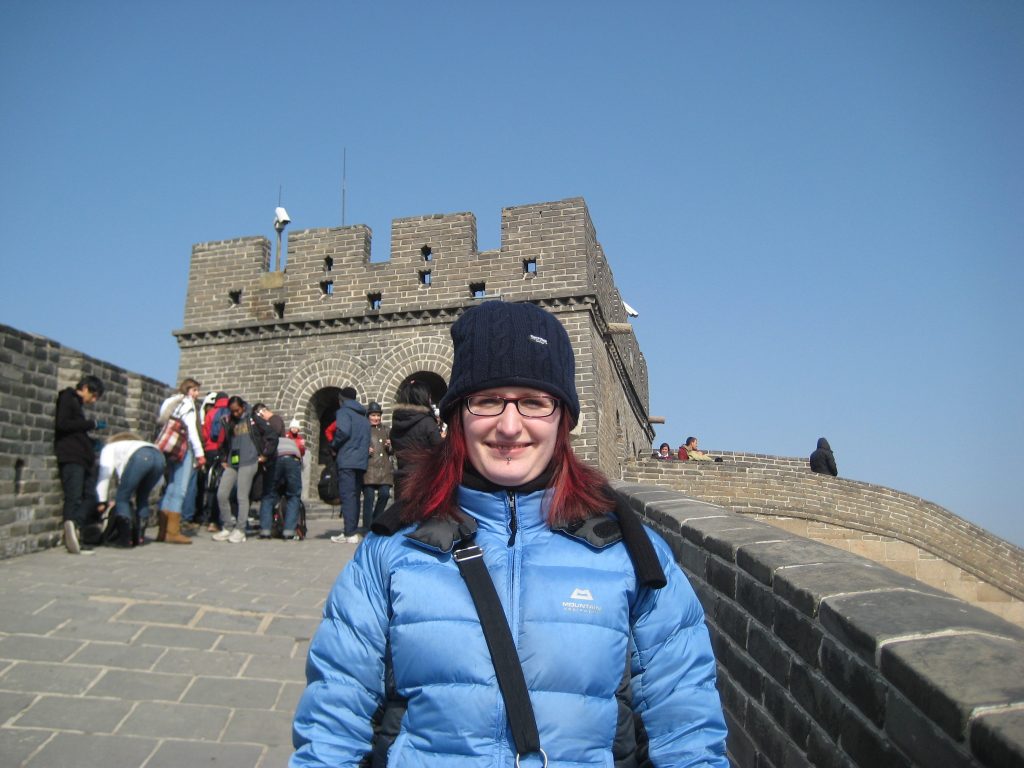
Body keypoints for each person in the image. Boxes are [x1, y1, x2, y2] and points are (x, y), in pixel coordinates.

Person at [292, 301, 728, 767]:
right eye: (487, 400)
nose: (509, 425)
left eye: (535, 401)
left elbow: (687, 727)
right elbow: (332, 722)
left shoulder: (633, 557)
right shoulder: (391, 550)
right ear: (457, 414)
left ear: (564, 418)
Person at [54, 375, 106, 554]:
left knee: (90, 496)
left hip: (83, 459)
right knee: (74, 496)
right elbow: (63, 425)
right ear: (84, 388)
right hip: (71, 457)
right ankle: (72, 531)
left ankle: (75, 527)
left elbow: (76, 430)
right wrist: (91, 424)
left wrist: (90, 443)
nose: (94, 400)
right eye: (93, 395)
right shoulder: (67, 398)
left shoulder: (77, 405)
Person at [214, 396, 271, 544]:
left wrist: (265, 454)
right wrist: (223, 458)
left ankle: (240, 529)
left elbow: (271, 434)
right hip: (233, 462)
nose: (235, 413)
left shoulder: (253, 419)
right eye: (232, 411)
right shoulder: (229, 421)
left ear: (243, 407)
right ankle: (227, 526)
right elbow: (225, 442)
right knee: (221, 494)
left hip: (250, 461)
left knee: (242, 496)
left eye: (237, 410)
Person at [156, 378, 206, 545]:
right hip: (183, 448)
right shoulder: (187, 404)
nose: (197, 394)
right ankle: (173, 531)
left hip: (168, 447)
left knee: (170, 486)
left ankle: (162, 530)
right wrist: (199, 453)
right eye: (195, 390)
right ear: (189, 390)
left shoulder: (170, 402)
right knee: (180, 489)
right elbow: (191, 430)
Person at [96, 433, 166, 547]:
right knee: (143, 497)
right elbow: (160, 482)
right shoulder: (140, 444)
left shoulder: (110, 447)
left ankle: (125, 539)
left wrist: (101, 500)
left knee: (122, 497)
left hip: (140, 458)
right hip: (159, 457)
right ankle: (140, 537)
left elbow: (105, 473)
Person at [329, 386, 371, 545]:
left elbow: (343, 432)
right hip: (361, 461)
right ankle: (352, 530)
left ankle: (349, 532)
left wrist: (334, 445)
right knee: (354, 496)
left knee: (347, 496)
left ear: (342, 399)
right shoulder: (363, 416)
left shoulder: (344, 412)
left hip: (347, 459)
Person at [389, 379, 443, 497]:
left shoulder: (396, 424)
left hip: (402, 481)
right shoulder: (427, 422)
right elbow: (440, 450)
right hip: (425, 481)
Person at [258, 417, 306, 540]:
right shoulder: (291, 441)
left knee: (268, 494)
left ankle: (265, 530)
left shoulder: (270, 441)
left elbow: (266, 457)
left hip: (276, 459)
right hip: (293, 459)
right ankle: (289, 531)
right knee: (294, 495)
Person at [360, 402, 393, 530]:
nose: (376, 418)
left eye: (378, 415)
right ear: (368, 416)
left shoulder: (386, 430)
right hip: (369, 469)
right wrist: (365, 449)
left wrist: (390, 445)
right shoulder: (364, 429)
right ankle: (367, 527)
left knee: (384, 494)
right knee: (369, 498)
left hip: (384, 469)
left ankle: (376, 520)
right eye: (373, 415)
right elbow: (357, 445)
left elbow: (392, 451)